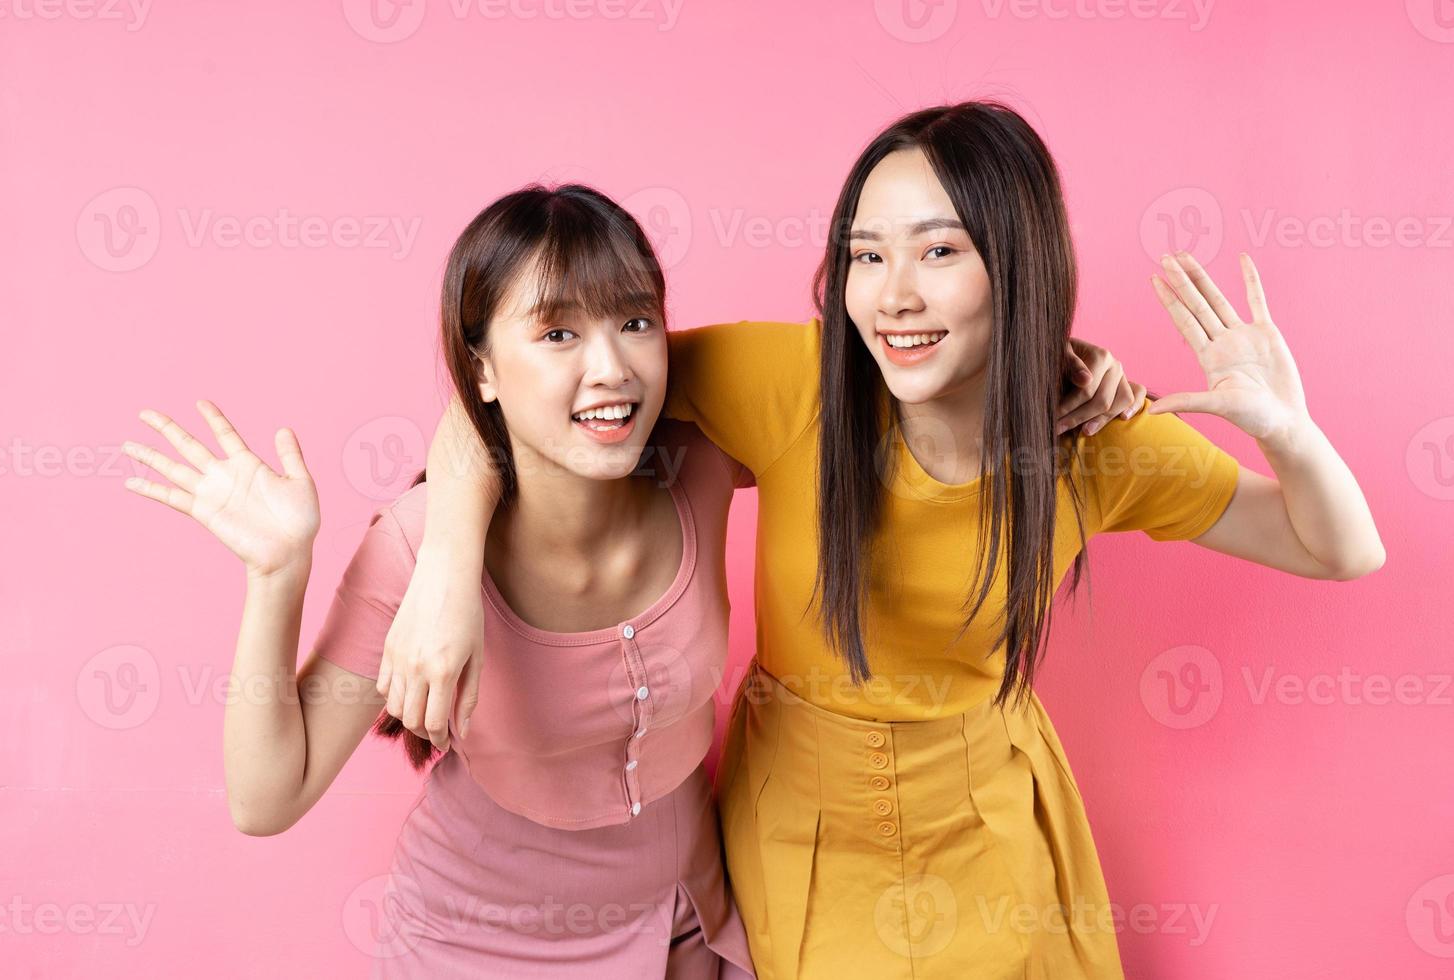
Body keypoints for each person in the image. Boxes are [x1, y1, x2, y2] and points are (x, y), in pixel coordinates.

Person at [384, 102, 1348, 979]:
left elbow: (1335, 546)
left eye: (939, 252)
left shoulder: (1091, 438)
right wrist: (443, 568)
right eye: (865, 255)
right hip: (796, 832)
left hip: (987, 833)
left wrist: (1286, 431)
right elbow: (536, 393)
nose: (893, 296)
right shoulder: (790, 382)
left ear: (1019, 264)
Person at [120, 184, 769, 978]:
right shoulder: (416, 548)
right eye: (558, 332)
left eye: (635, 322)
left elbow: (847, 388)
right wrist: (278, 573)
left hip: (681, 927)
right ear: (483, 371)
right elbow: (266, 798)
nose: (610, 368)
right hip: (475, 948)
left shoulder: (701, 460)